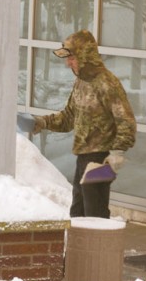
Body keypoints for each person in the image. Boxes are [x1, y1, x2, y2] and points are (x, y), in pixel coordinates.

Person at [32, 29, 136, 219]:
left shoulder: (106, 83)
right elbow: (68, 117)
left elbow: (126, 120)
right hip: (83, 157)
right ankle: (77, 248)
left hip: (100, 159)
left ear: (84, 55)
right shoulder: (81, 82)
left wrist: (117, 153)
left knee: (94, 214)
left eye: (71, 58)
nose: (67, 63)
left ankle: (99, 248)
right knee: (78, 213)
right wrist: (42, 122)